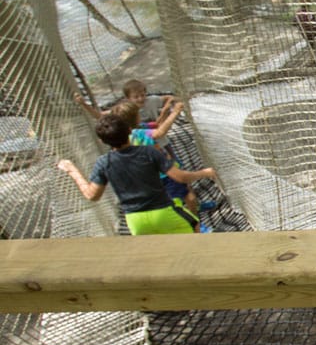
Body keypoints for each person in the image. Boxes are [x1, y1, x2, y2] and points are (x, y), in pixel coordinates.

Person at [56, 113, 216, 235]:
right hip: (163, 212)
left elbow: (92, 195)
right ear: (129, 131)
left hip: (135, 221)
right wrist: (204, 172)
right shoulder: (148, 152)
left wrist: (72, 170)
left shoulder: (103, 162)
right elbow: (180, 177)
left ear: (102, 141)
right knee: (195, 229)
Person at [112, 100, 199, 218]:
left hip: (147, 178)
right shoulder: (139, 133)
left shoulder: (121, 140)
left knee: (174, 195)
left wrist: (164, 112)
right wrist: (176, 112)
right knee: (187, 196)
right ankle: (193, 219)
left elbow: (157, 124)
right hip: (165, 172)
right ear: (136, 117)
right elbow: (160, 132)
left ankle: (189, 212)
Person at [73, 78, 176, 125]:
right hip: (140, 138)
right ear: (128, 98)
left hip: (159, 136)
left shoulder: (151, 100)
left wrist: (165, 108)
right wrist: (84, 104)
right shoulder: (125, 109)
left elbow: (170, 98)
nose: (140, 99)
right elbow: (100, 116)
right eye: (136, 97)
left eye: (142, 95)